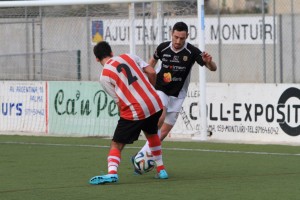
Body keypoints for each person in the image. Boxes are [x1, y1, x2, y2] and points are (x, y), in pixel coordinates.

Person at [133, 21, 217, 169]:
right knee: (161, 115)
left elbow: (213, 68)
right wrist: (144, 76)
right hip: (160, 88)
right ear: (171, 34)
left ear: (187, 37)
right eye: (176, 37)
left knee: (164, 132)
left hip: (178, 95)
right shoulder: (163, 47)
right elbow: (152, 61)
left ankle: (142, 155)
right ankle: (146, 151)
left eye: (182, 38)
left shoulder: (192, 52)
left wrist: (209, 62)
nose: (178, 41)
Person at [89, 41, 168, 185]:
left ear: (96, 59)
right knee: (152, 134)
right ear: (112, 52)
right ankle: (161, 170)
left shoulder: (104, 76)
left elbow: (119, 102)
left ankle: (112, 173)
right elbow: (151, 71)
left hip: (136, 109)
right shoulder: (129, 56)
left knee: (116, 144)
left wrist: (124, 120)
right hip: (155, 103)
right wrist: (150, 89)